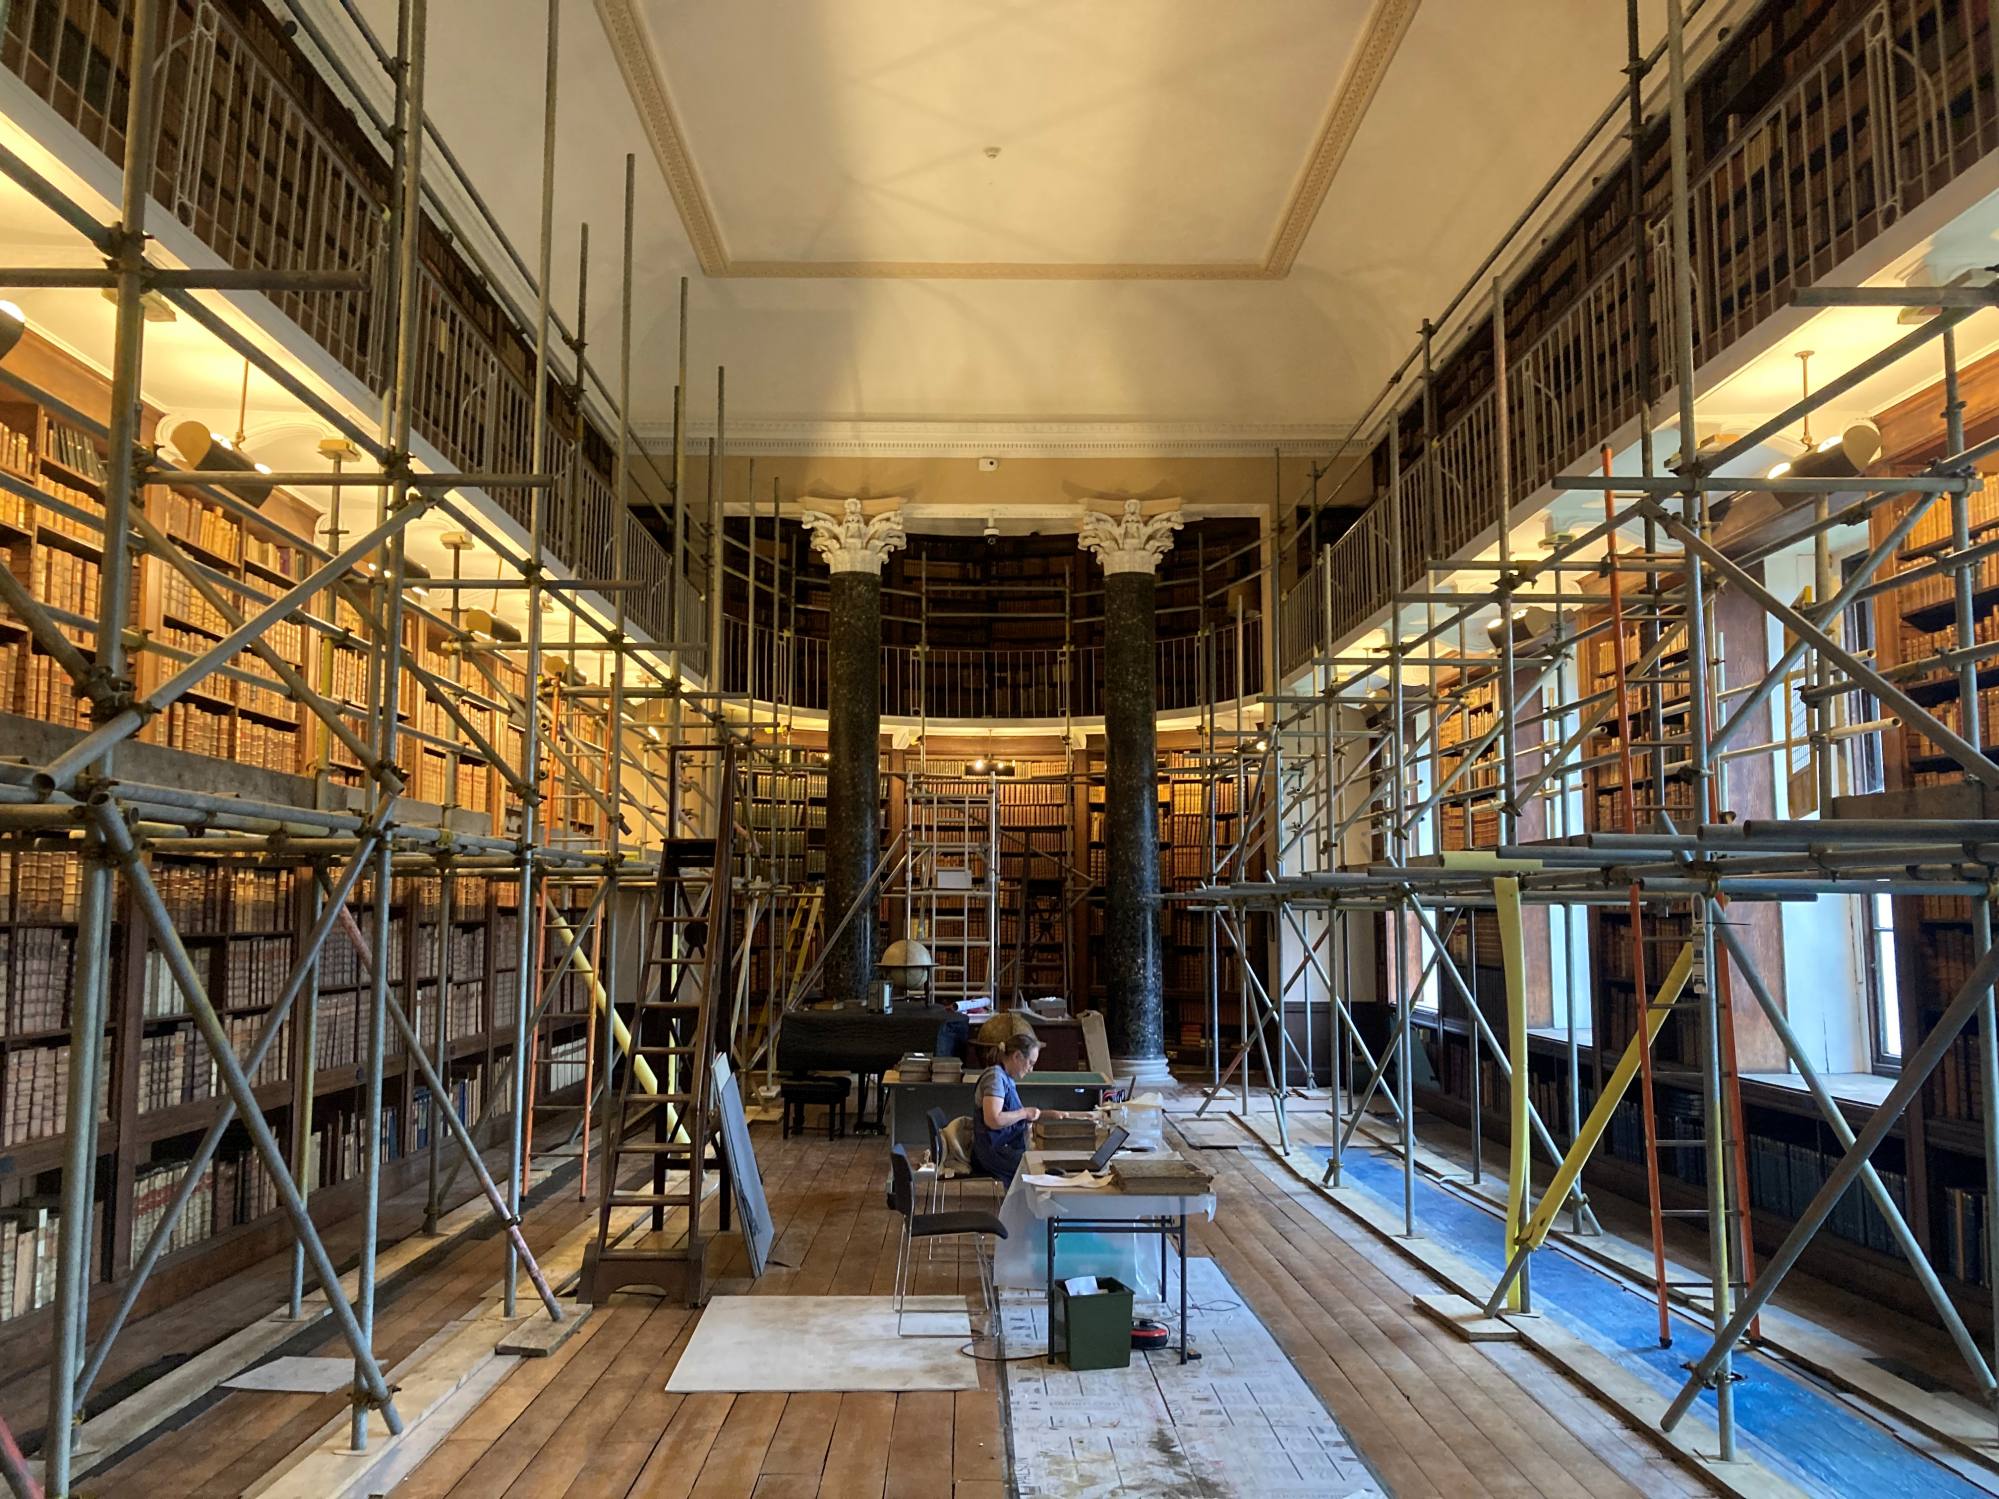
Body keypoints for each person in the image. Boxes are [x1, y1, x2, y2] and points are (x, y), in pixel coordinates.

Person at [972, 1031, 1083, 1186]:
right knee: (1042, 1169)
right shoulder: (995, 1078)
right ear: (1017, 1056)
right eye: (1030, 1063)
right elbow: (993, 1120)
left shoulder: (1005, 1078)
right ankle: (1036, 1209)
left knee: (1051, 1163)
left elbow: (1012, 1115)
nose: (1031, 1069)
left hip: (1004, 1147)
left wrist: (1045, 1114)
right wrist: (1024, 1112)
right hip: (994, 1151)